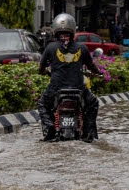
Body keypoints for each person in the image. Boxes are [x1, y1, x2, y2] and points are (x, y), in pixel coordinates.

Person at [37, 13, 100, 142]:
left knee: (42, 104)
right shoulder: (82, 48)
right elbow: (91, 65)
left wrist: (44, 72)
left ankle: (49, 127)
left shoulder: (50, 47)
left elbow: (41, 67)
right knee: (93, 103)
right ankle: (88, 133)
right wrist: (98, 73)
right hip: (78, 89)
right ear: (73, 30)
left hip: (56, 88)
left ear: (55, 30)